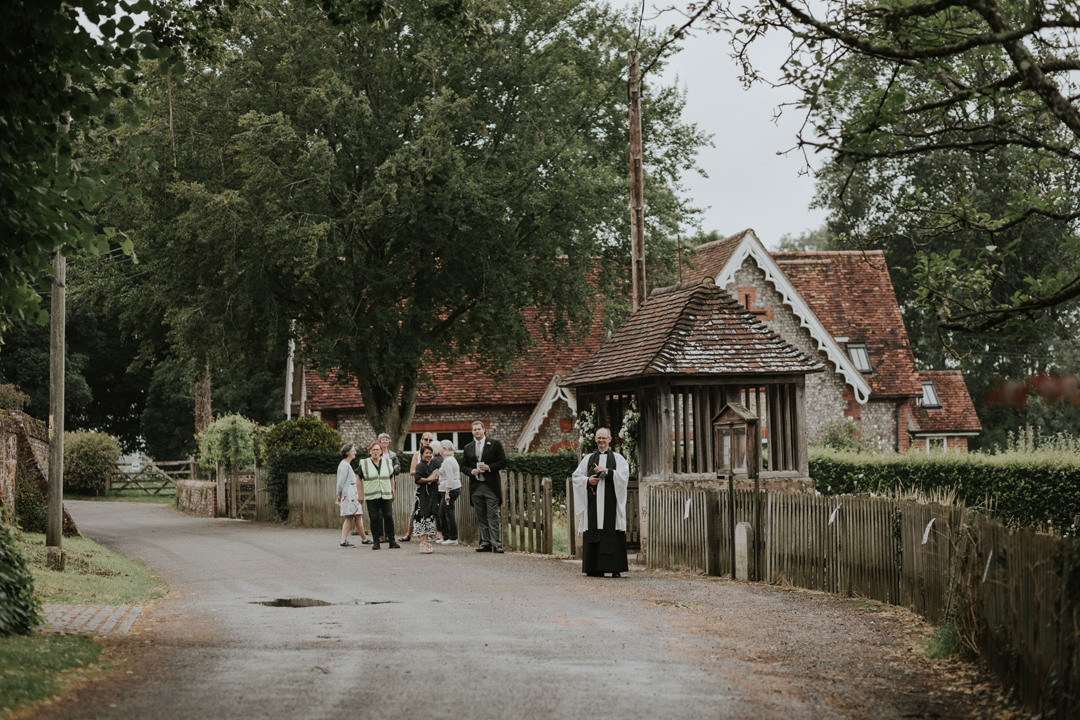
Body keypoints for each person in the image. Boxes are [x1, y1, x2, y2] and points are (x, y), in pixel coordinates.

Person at [571, 427, 629, 578]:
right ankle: (594, 568)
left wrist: (608, 471)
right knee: (594, 528)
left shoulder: (618, 458)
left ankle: (615, 568)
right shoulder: (588, 458)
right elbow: (576, 477)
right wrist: (588, 480)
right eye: (599, 438)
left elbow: (623, 477)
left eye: (604, 438)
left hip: (611, 504)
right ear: (595, 439)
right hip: (593, 505)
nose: (601, 441)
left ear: (610, 439)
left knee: (612, 529)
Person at [462, 420, 507, 553]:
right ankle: (486, 543)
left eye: (478, 429)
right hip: (476, 486)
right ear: (472, 432)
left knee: (492, 515)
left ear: (484, 430)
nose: (476, 431)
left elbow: (503, 462)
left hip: (490, 485)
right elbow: (463, 466)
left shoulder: (495, 444)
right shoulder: (468, 447)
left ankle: (497, 544)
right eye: (474, 430)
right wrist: (471, 471)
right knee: (481, 515)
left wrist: (489, 467)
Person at [358, 439, 399, 550]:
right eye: (373, 449)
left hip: (386, 495)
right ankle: (376, 542)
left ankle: (392, 541)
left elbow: (391, 477)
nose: (375, 451)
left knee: (389, 517)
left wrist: (392, 491)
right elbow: (358, 477)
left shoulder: (387, 462)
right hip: (372, 496)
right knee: (374, 518)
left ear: (381, 451)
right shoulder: (364, 463)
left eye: (377, 449)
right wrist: (360, 494)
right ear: (370, 451)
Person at [400, 433, 440, 542]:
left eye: (430, 440)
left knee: (431, 509)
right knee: (416, 510)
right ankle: (409, 534)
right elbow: (412, 472)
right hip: (420, 485)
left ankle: (429, 534)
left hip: (431, 487)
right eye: (426, 439)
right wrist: (424, 473)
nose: (428, 441)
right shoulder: (417, 455)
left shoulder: (433, 456)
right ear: (421, 440)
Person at [335, 443, 368, 547]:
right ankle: (364, 540)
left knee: (350, 517)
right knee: (357, 515)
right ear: (348, 453)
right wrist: (339, 494)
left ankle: (344, 541)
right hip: (349, 494)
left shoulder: (345, 464)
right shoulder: (345, 465)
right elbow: (340, 482)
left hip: (349, 493)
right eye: (353, 451)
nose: (355, 452)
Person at [413, 445, 442, 553]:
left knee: (428, 517)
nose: (429, 455)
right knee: (423, 517)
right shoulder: (421, 465)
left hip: (430, 496)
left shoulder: (429, 465)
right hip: (422, 496)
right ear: (422, 454)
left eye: (430, 453)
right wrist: (430, 480)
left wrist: (435, 480)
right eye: (426, 453)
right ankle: (424, 543)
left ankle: (426, 542)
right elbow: (417, 479)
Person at [436, 439, 461, 545]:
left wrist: (447, 493)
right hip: (446, 489)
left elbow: (450, 478)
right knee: (442, 513)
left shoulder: (448, 461)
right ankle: (446, 537)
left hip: (450, 490)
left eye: (440, 447)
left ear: (445, 449)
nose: (439, 449)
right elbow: (440, 471)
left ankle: (453, 538)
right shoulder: (447, 460)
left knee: (449, 513)